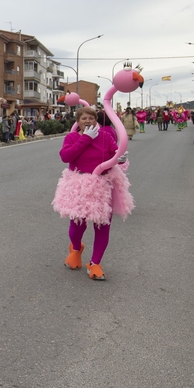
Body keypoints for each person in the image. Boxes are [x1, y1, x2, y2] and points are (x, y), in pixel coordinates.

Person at [51, 107, 134, 280]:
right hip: (80, 187)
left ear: (96, 121)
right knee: (77, 226)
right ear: (78, 122)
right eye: (84, 119)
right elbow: (66, 156)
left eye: (91, 118)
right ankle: (75, 249)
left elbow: (114, 154)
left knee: (103, 226)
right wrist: (86, 139)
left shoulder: (105, 136)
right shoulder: (72, 137)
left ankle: (95, 263)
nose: (88, 121)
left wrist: (121, 158)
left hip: (103, 186)